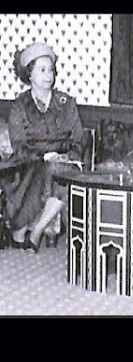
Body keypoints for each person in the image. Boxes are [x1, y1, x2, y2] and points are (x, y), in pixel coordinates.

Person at [5, 43, 85, 252]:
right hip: (29, 165)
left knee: (65, 173)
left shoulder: (66, 103)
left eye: (51, 70)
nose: (49, 75)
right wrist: (45, 156)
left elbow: (78, 139)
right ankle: (22, 229)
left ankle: (37, 231)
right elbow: (19, 145)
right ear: (29, 74)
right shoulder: (19, 106)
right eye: (42, 70)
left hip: (64, 163)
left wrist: (69, 156)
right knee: (47, 171)